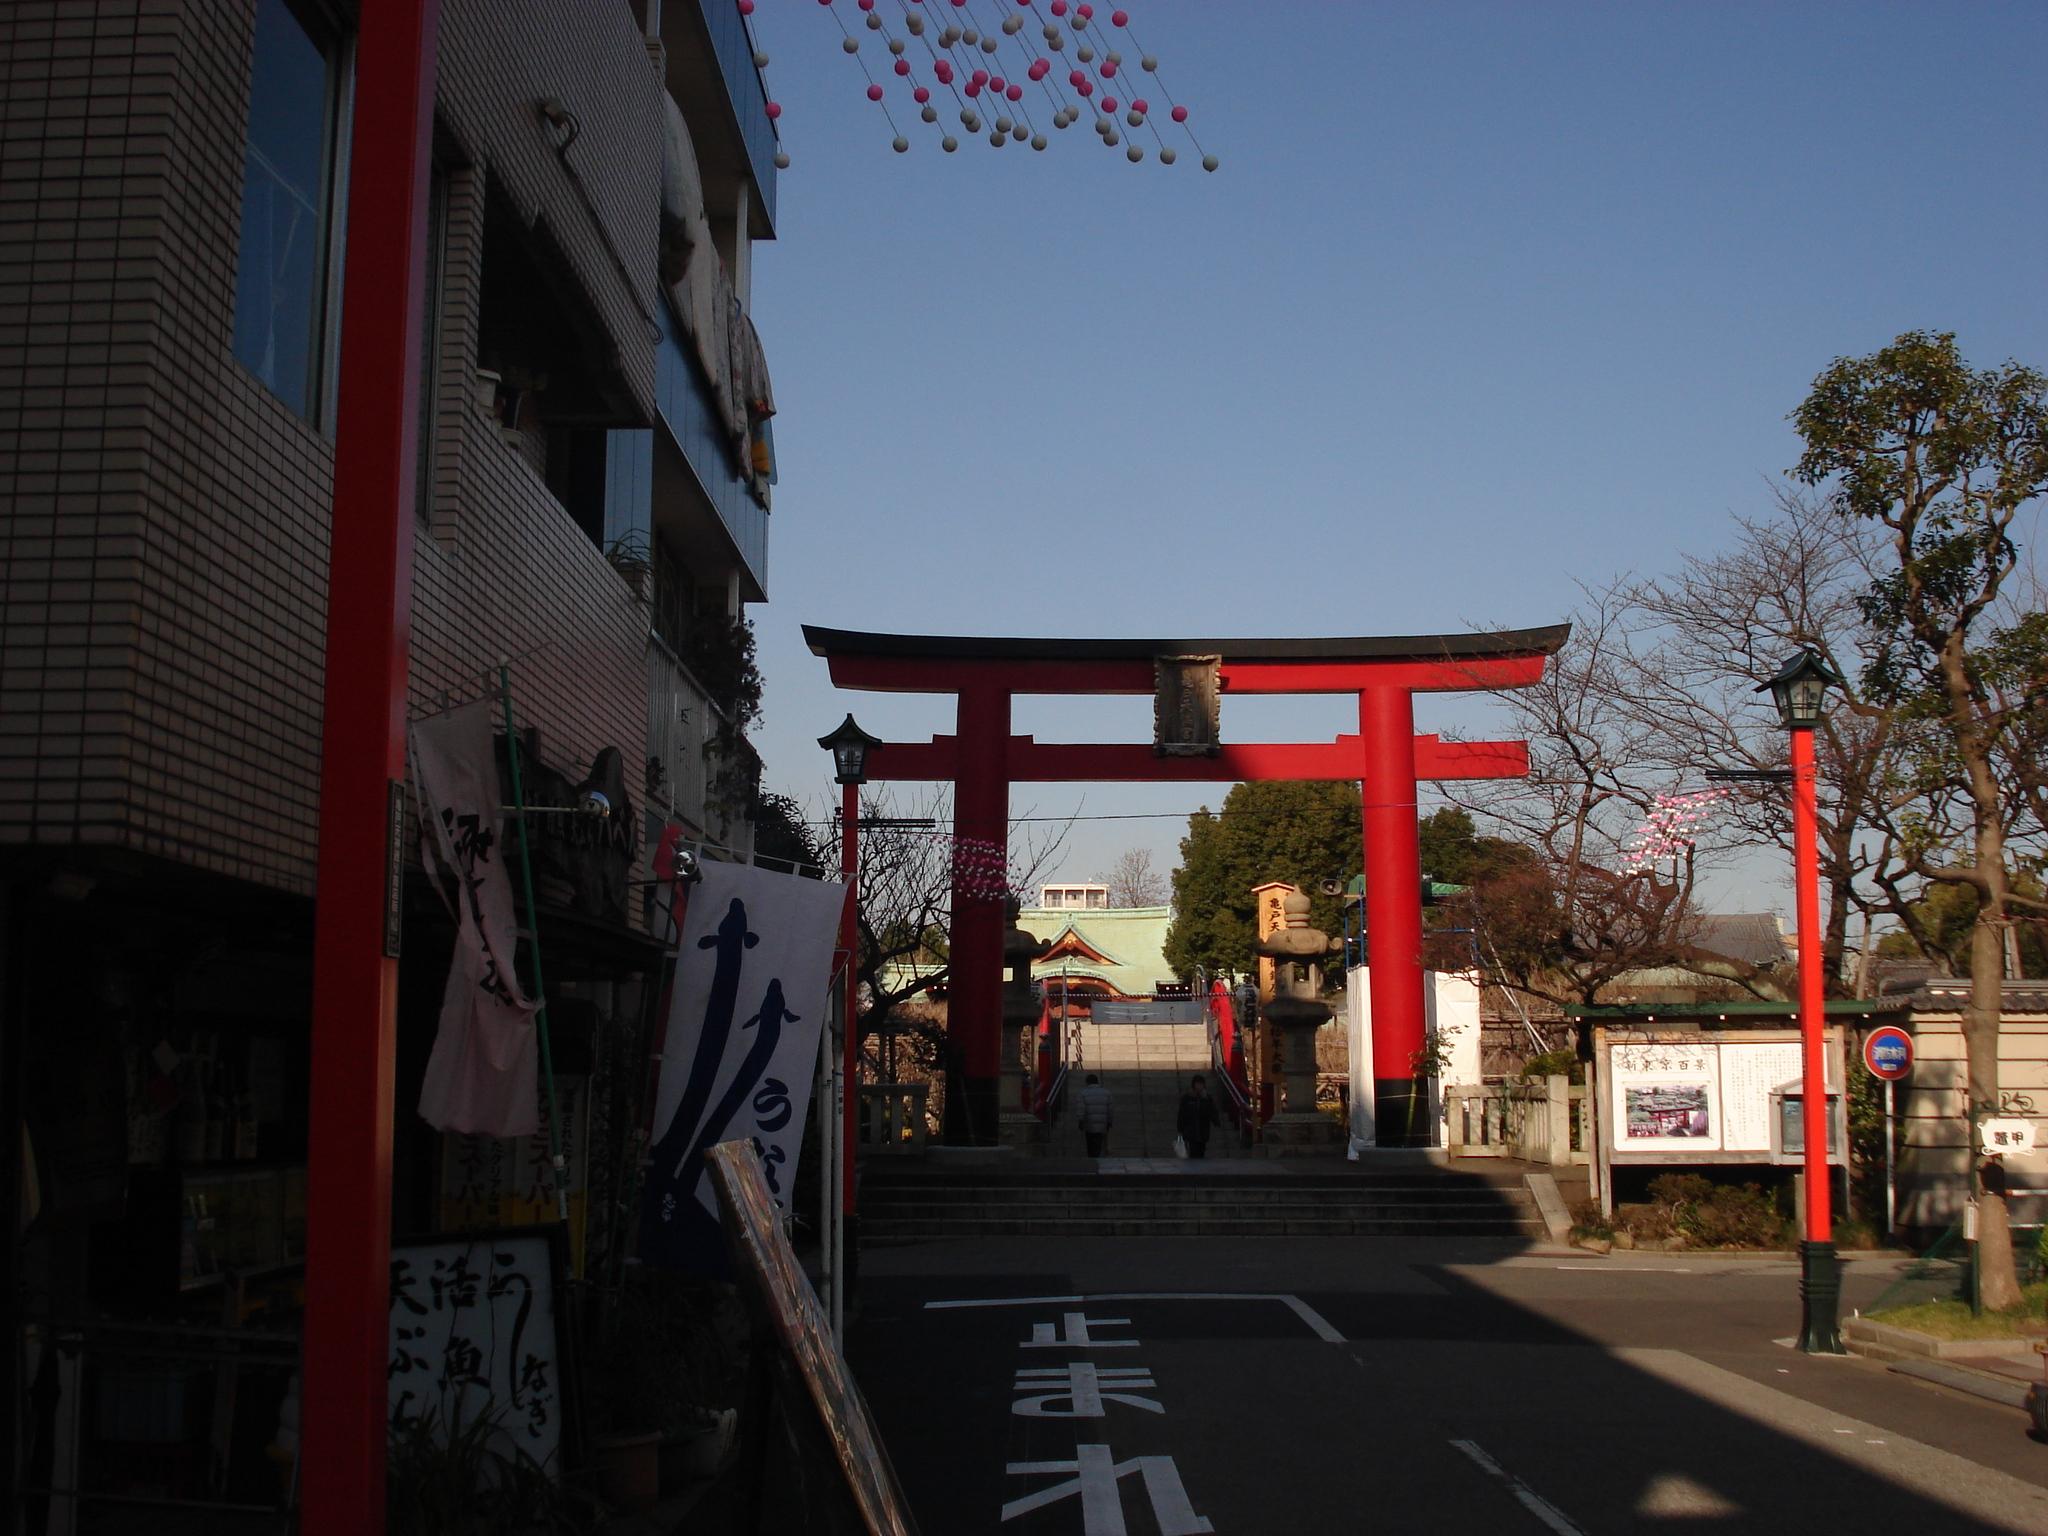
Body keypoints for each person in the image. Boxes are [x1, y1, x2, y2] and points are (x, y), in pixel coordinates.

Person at [1177, 1075, 1220, 1159]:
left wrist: (1205, 1099)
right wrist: (1180, 1129)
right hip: (1190, 1131)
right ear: (1194, 1085)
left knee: (1201, 1152)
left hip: (1203, 1131)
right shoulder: (1187, 1098)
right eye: (1198, 1084)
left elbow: (1212, 1111)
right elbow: (1182, 1114)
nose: (1199, 1086)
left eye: (1201, 1084)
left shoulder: (1207, 1098)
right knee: (1193, 1154)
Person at [1078, 1072, 1114, 1157]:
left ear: (1087, 1082)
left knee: (1090, 1142)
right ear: (1097, 1082)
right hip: (1102, 1123)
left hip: (1089, 1123)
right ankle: (1097, 1156)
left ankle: (1092, 1156)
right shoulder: (1107, 1093)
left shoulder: (1083, 1093)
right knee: (1099, 1141)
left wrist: (1080, 1120)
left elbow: (1081, 1108)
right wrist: (1110, 1121)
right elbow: (1110, 1109)